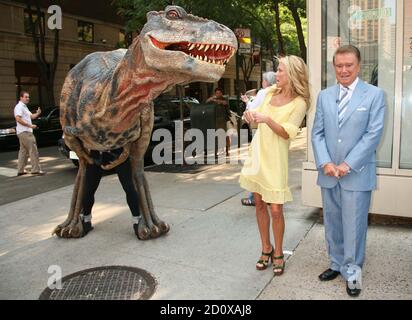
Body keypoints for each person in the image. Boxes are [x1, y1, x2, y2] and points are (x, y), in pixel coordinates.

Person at [311, 45, 386, 297]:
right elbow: (317, 133)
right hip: (328, 172)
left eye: (349, 65)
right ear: (334, 67)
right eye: (339, 66)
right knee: (332, 222)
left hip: (356, 172)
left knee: (354, 225)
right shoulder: (324, 95)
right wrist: (325, 162)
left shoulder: (374, 95)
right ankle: (336, 263)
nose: (344, 70)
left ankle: (352, 271)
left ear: (359, 66)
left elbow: (373, 135)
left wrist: (347, 164)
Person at [239, 56, 310, 276]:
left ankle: (278, 252)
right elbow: (249, 118)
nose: (276, 74)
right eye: (277, 70)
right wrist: (249, 115)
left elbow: (287, 132)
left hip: (276, 159)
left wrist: (266, 119)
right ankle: (265, 248)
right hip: (257, 155)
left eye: (280, 71)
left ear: (293, 75)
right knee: (259, 204)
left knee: (277, 210)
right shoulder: (268, 93)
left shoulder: (300, 102)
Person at [80, 148, 142, 237]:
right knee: (89, 189)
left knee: (129, 188)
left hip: (118, 155)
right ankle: (86, 220)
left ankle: (137, 221)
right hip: (99, 155)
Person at [240, 71, 276, 207]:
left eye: (263, 80)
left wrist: (247, 102)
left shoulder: (263, 92)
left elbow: (253, 109)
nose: (262, 82)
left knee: (257, 164)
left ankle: (254, 197)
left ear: (266, 81)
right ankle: (270, 196)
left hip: (261, 129)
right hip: (273, 130)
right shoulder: (277, 92)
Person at [14, 91, 45, 176]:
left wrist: (38, 113)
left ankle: (20, 170)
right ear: (21, 97)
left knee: (23, 151)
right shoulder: (19, 107)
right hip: (25, 132)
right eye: (26, 97)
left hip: (23, 132)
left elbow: (31, 116)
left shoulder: (24, 107)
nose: (28, 98)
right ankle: (36, 170)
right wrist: (30, 126)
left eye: (28, 97)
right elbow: (18, 119)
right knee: (33, 150)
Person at [206, 87, 233, 157]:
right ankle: (216, 152)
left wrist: (214, 100)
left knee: (226, 136)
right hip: (216, 120)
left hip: (225, 120)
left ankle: (227, 150)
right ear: (215, 93)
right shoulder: (213, 100)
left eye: (219, 93)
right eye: (216, 93)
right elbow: (206, 102)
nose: (218, 94)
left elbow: (224, 103)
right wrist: (210, 99)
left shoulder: (224, 99)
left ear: (221, 93)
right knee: (216, 137)